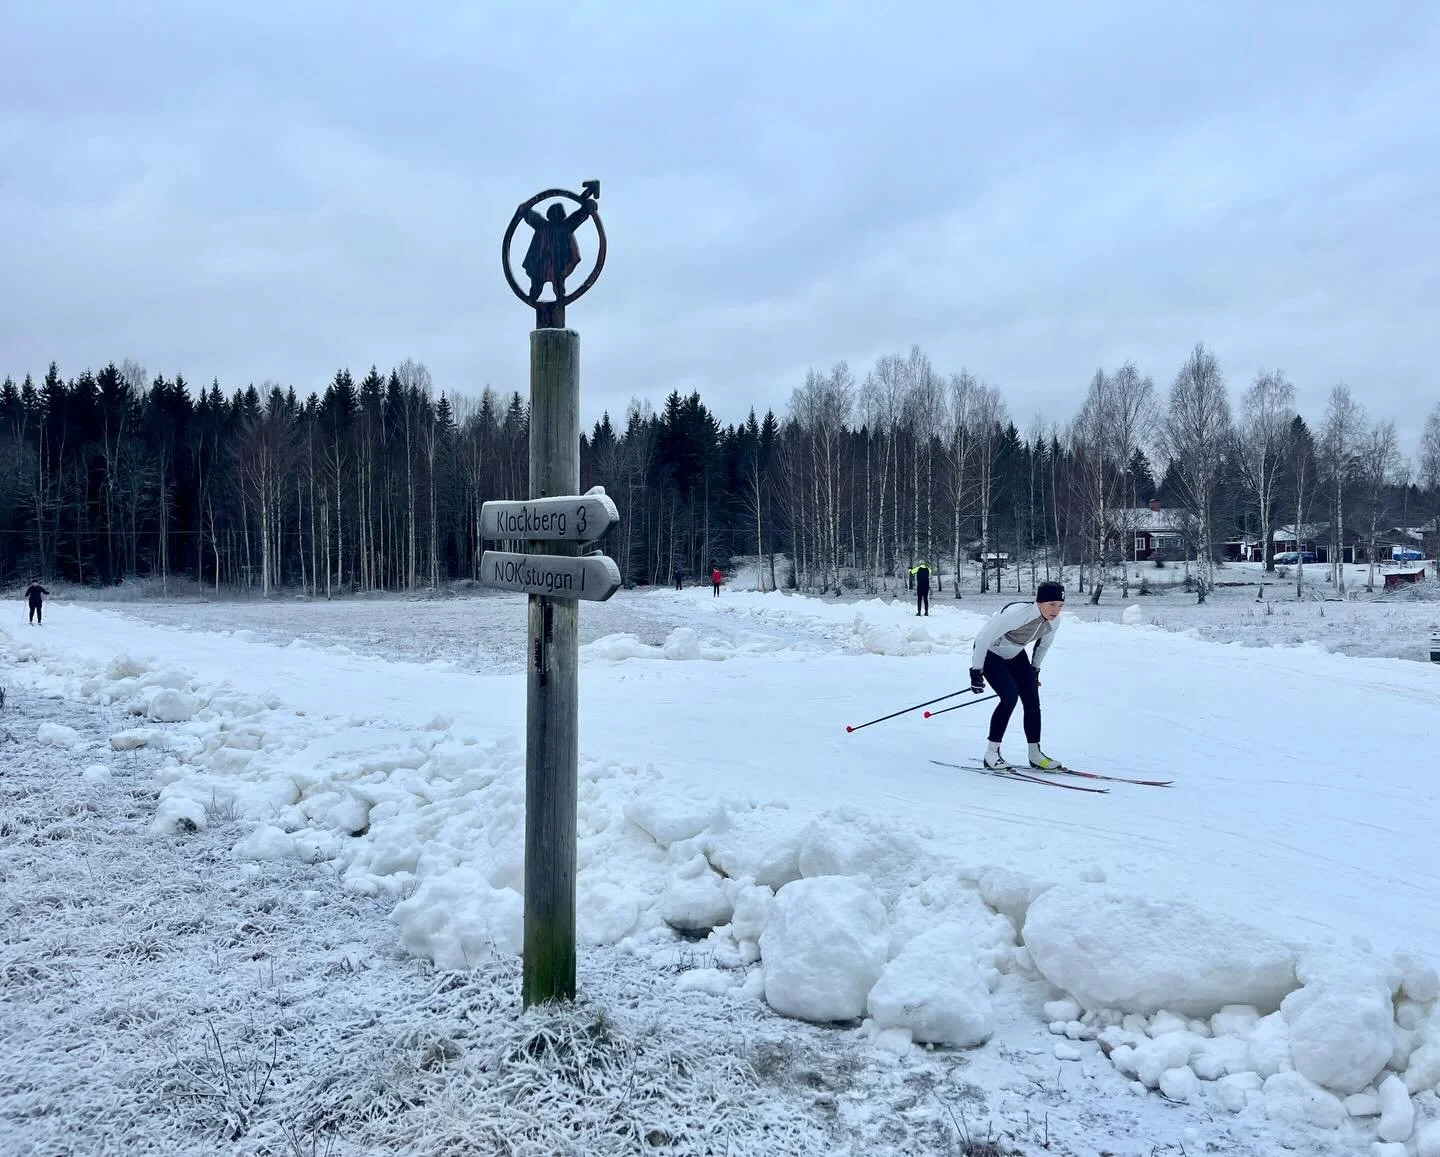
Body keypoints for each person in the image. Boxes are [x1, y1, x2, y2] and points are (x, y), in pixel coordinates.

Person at [968, 582, 1065, 771]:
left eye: (1060, 605)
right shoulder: (1017, 613)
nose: (1056, 610)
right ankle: (991, 754)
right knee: (1010, 696)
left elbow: (1043, 645)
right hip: (990, 653)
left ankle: (1035, 754)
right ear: (1040, 602)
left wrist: (1034, 670)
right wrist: (976, 671)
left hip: (1015, 654)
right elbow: (982, 639)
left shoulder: (1054, 622)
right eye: (1052, 604)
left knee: (1032, 700)